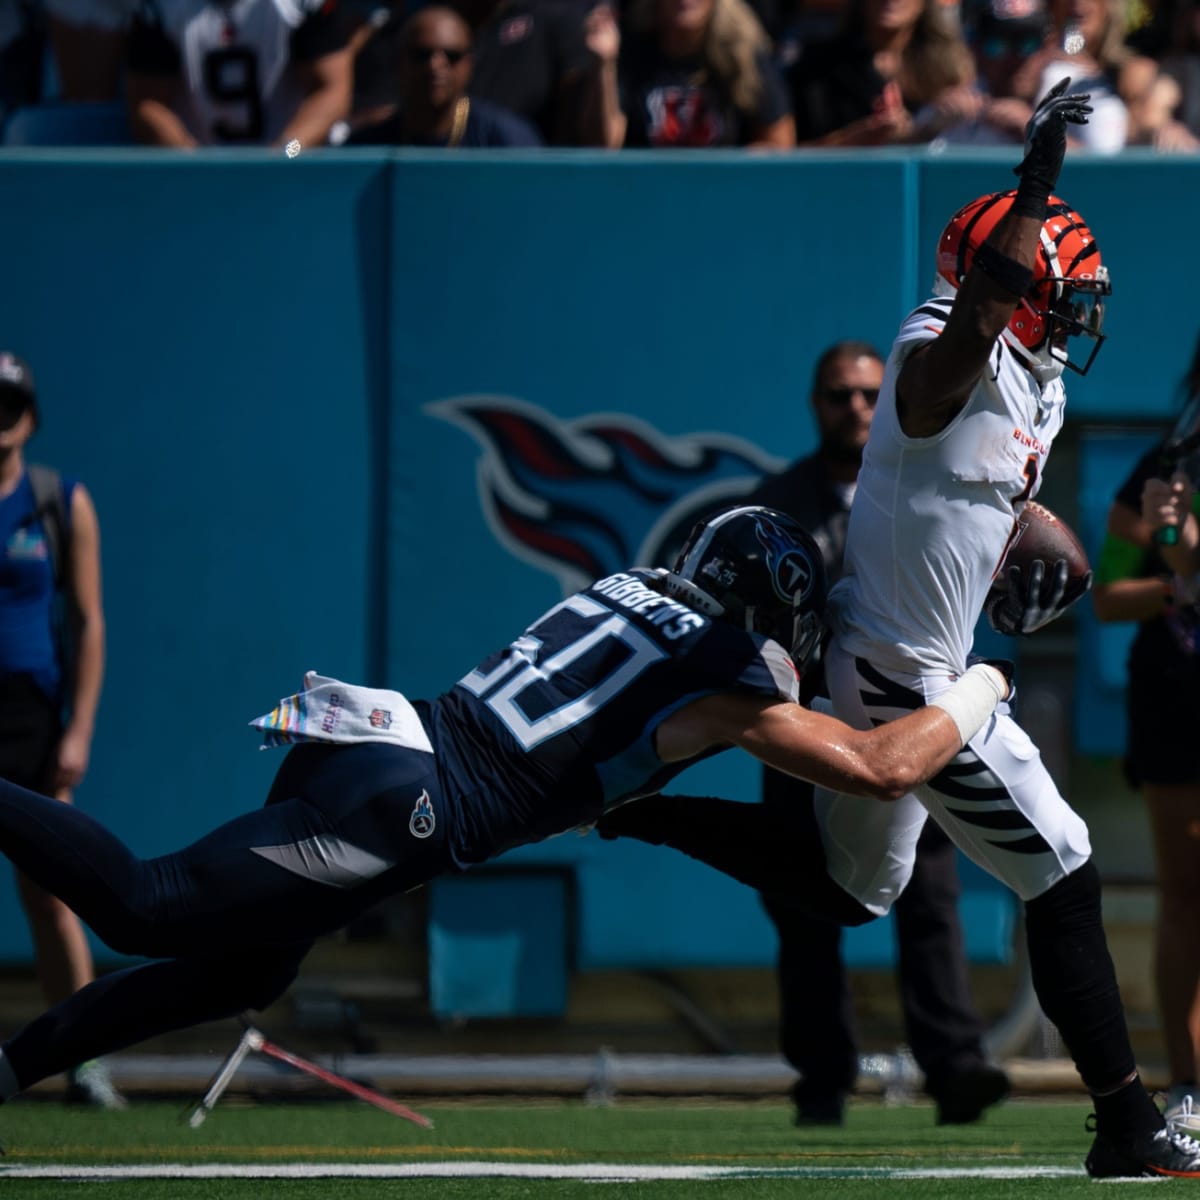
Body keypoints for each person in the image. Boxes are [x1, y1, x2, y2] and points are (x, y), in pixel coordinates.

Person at [598, 81, 1200, 1177]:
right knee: (1061, 867)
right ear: (1010, 288)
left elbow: (990, 484)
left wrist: (1027, 534)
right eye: (1062, 298)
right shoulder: (939, 356)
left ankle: (642, 814)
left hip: (908, 653)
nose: (1076, 319)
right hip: (907, 678)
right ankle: (1127, 1123)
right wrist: (1035, 182)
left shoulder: (1038, 381)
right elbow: (968, 332)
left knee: (849, 891)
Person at [0, 504, 1016, 1104]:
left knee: (241, 971)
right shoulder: (721, 675)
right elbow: (882, 769)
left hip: (380, 738)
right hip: (406, 807)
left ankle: (13, 1070)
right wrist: (979, 688)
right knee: (146, 903)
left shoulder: (624, 586)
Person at [749, 340, 1009, 1127]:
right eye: (839, 396)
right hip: (806, 724)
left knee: (930, 897)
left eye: (869, 394)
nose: (857, 409)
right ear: (816, 404)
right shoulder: (778, 502)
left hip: (907, 720)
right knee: (802, 903)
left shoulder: (911, 486)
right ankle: (822, 1079)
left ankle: (954, 1069)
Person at [0, 353, 124, 1110]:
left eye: (9, 402)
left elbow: (88, 620)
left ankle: (85, 1061)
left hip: (33, 724)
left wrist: (77, 729)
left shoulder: (58, 501)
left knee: (51, 894)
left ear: (32, 417)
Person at [1092, 331, 1200, 1137]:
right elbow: (1108, 596)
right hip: (1177, 705)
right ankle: (1189, 1081)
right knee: (1186, 895)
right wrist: (1170, 557)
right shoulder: (1166, 469)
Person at [125, 0, 353, 149]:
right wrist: (190, 160)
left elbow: (333, 91)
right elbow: (147, 102)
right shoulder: (162, 7)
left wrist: (286, 153)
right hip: (200, 176)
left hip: (290, 166)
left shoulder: (297, 5)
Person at [599, 0, 796, 148]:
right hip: (649, 192)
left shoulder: (743, 55)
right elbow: (605, 144)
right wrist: (604, 64)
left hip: (722, 193)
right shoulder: (631, 53)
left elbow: (780, 144)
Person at [338, 6, 543, 146]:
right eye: (421, 55)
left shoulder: (505, 140)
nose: (436, 65)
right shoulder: (368, 146)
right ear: (398, 63)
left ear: (470, 65)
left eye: (452, 56)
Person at [788, 0, 977, 146]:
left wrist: (942, 116)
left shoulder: (951, 67)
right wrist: (861, 137)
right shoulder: (817, 67)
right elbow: (790, 153)